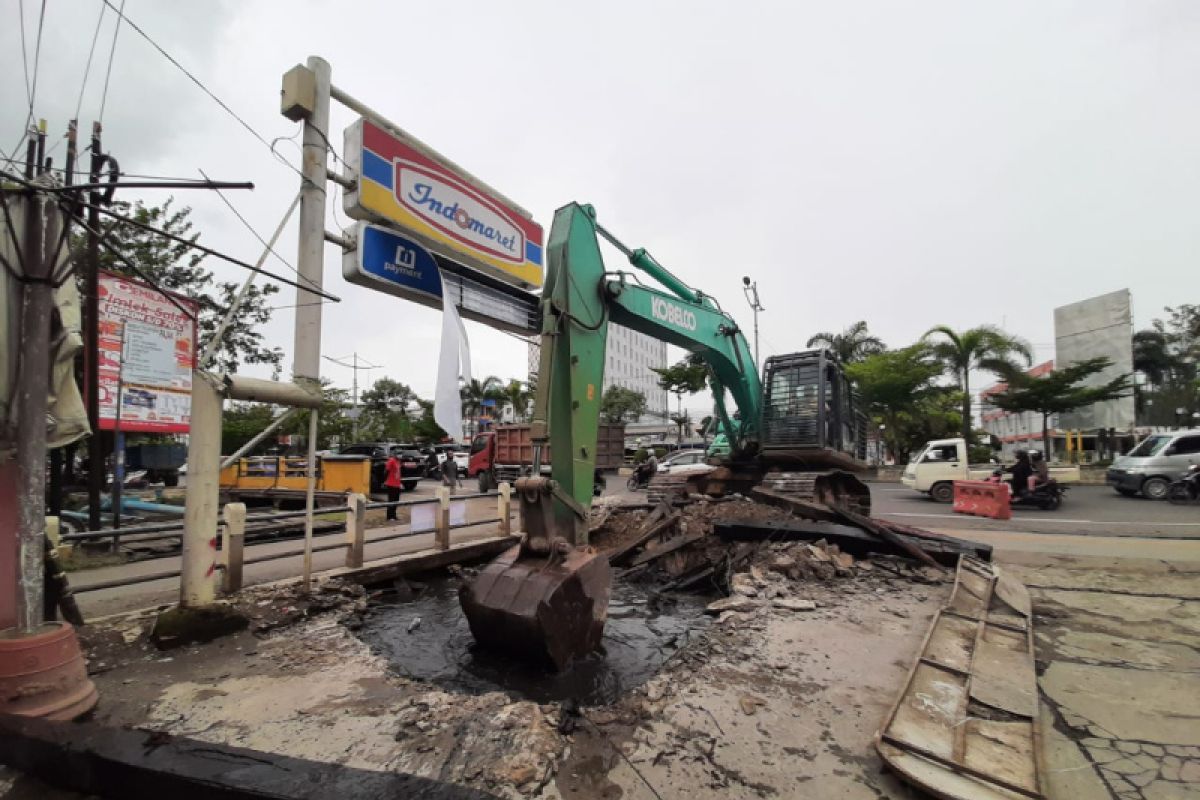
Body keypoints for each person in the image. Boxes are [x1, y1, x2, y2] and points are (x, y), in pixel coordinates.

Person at [384, 451, 403, 521]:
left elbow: (399, 473)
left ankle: (394, 515)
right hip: (391, 483)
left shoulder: (398, 461)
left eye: (401, 454)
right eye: (399, 454)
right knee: (391, 500)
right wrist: (384, 481)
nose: (400, 455)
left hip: (397, 484)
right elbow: (386, 471)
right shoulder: (391, 460)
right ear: (395, 454)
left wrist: (400, 483)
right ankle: (389, 516)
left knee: (396, 500)